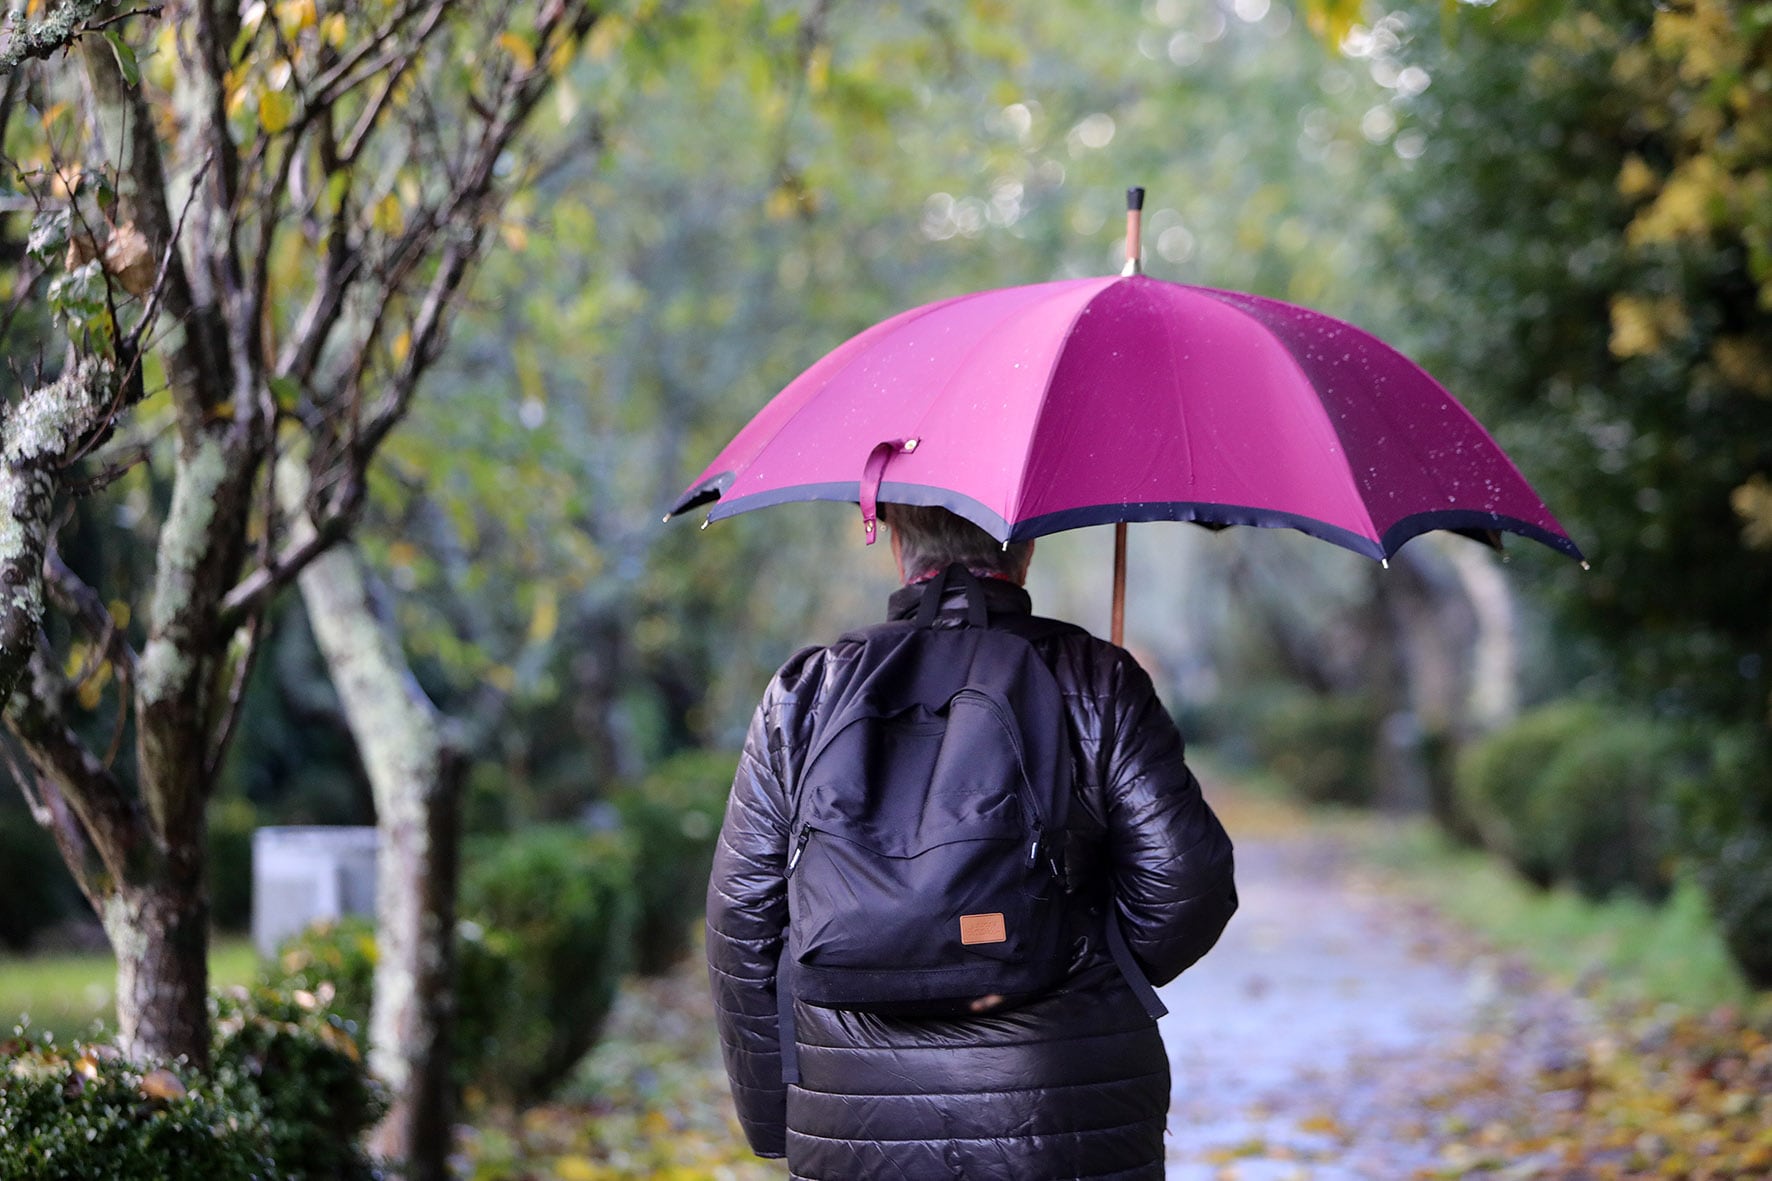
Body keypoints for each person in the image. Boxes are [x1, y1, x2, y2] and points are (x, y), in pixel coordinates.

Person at [705, 503, 1237, 1180]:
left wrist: (771, 1114)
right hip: (1062, 1106)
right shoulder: (1093, 676)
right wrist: (1087, 968)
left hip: (851, 1117)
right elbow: (1186, 878)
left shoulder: (804, 692)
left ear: (898, 543)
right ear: (1025, 551)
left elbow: (741, 918)